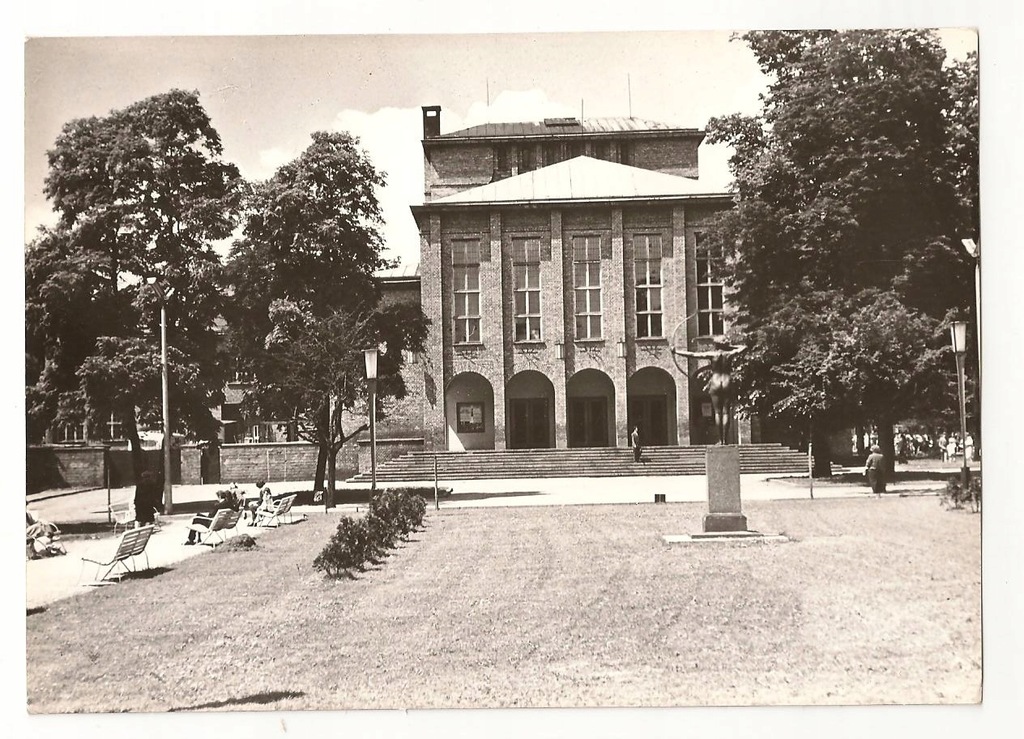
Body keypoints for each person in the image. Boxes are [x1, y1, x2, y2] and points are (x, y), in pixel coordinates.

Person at [670, 338, 748, 445]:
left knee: (717, 412)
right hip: (727, 381)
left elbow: (692, 354)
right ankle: (725, 441)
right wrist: (730, 347)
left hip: (715, 382)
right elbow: (744, 348)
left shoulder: (712, 354)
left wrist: (676, 351)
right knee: (726, 412)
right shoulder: (730, 353)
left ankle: (720, 440)